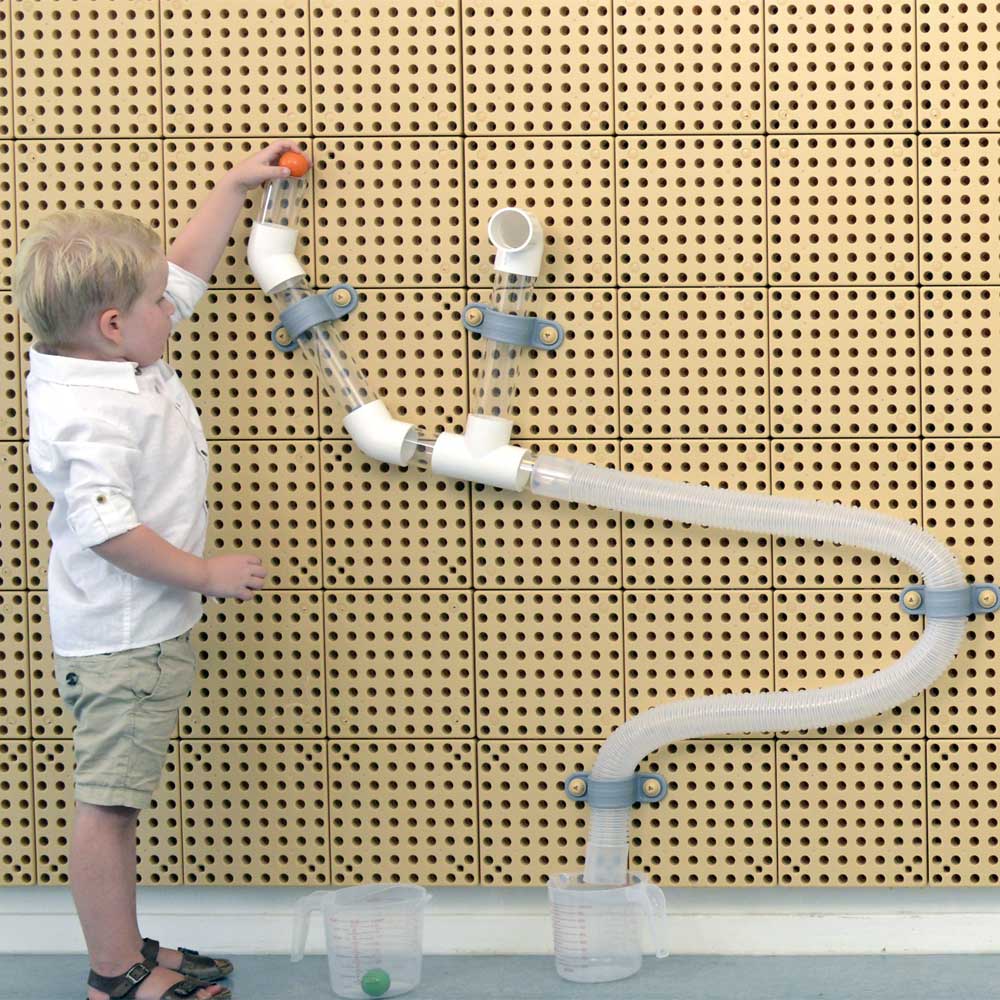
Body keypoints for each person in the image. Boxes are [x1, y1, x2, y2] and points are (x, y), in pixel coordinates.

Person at [14, 140, 305, 1000]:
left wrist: (230, 191)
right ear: (114, 324)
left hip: (139, 637)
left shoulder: (111, 355)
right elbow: (108, 531)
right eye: (153, 305)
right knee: (109, 809)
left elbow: (178, 271)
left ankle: (130, 949)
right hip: (125, 644)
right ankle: (114, 976)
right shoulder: (85, 413)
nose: (171, 309)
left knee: (120, 801)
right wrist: (202, 573)